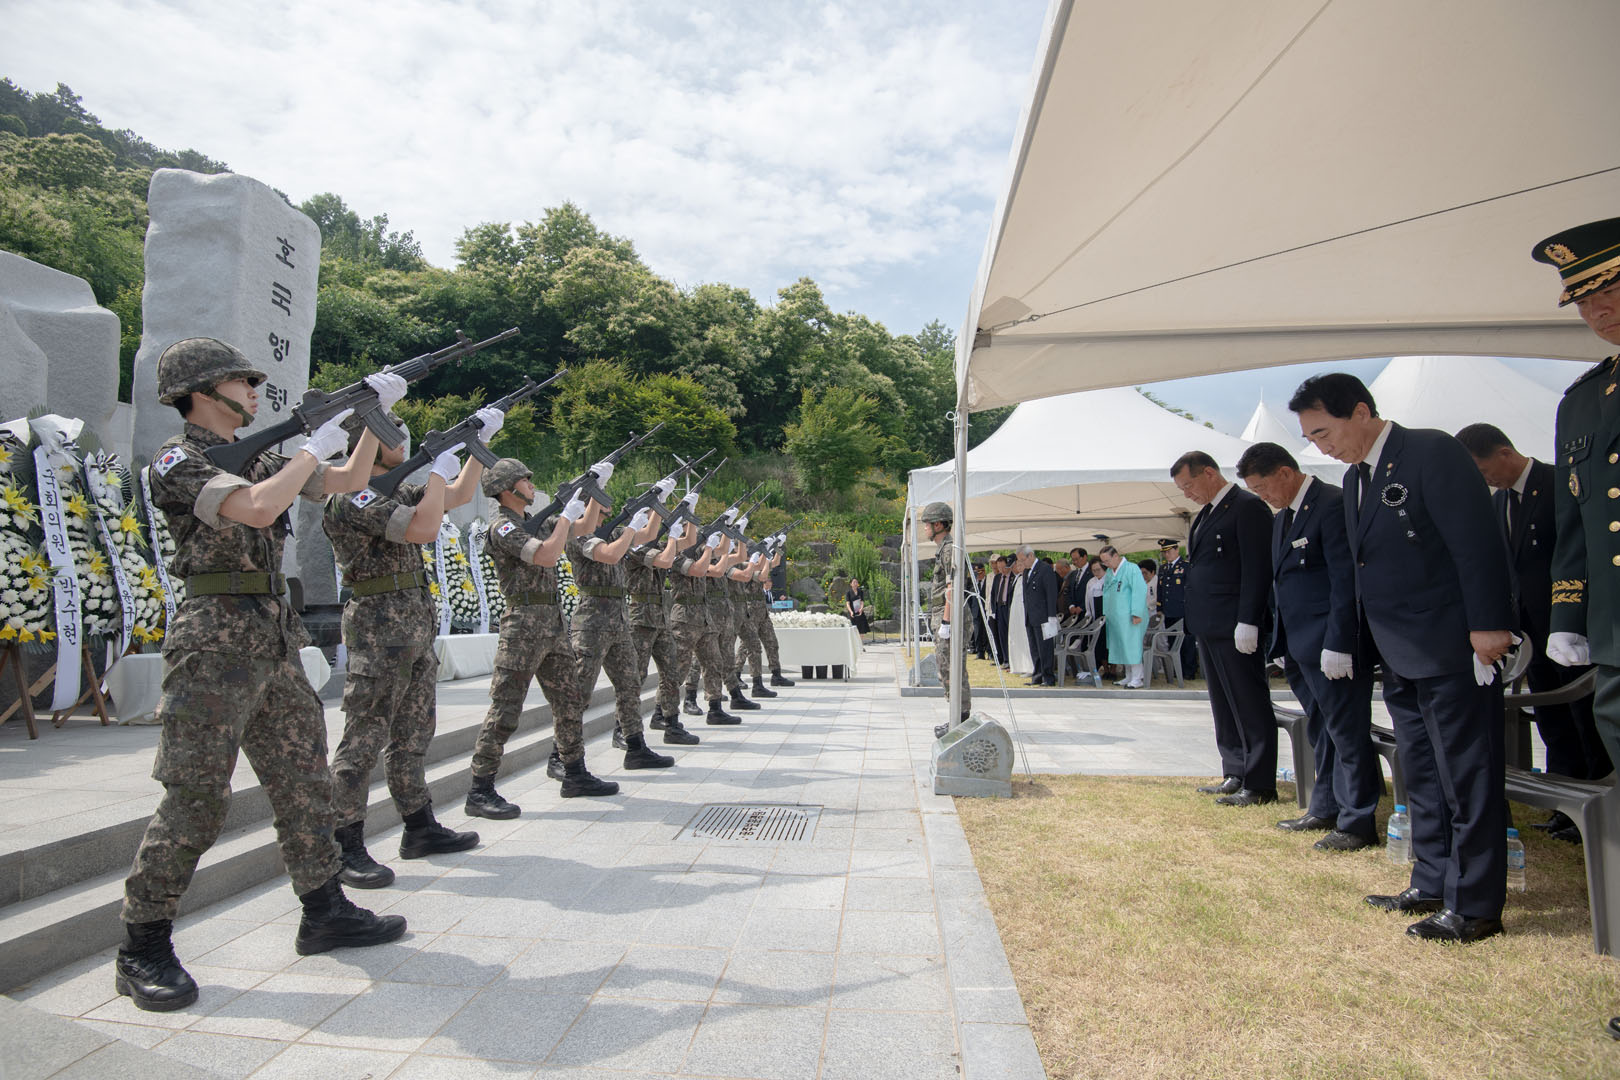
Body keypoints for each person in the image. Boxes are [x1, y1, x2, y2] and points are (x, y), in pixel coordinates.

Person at [116, 340, 409, 1013]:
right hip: (213, 643)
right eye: (242, 380)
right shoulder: (177, 460)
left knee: (306, 783)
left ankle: (324, 909)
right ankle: (142, 944)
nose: (254, 389)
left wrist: (368, 420)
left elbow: (344, 481)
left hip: (273, 635)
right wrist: (311, 448)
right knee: (196, 797)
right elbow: (253, 508)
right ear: (201, 391)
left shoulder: (260, 458)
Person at [1291, 373, 1513, 943]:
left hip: (1451, 645)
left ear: (1361, 412)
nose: (1320, 447)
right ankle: (1431, 879)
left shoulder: (1431, 452)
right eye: (1310, 438)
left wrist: (1489, 624)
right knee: (1422, 774)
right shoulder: (1355, 479)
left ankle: (1474, 903)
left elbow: (1476, 542)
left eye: (1324, 432)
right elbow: (1361, 567)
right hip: (1398, 651)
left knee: (1467, 774)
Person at [321, 405, 497, 890]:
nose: (404, 438)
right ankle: (344, 844)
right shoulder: (351, 496)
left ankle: (419, 826)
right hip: (379, 630)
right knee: (363, 740)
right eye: (393, 432)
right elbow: (423, 528)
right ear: (366, 441)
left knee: (414, 735)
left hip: (413, 627)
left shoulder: (395, 489)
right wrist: (438, 468)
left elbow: (457, 496)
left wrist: (475, 446)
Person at [1534, 214, 1620, 1040]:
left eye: (1611, 289)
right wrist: (1569, 614)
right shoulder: (1583, 399)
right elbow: (1574, 524)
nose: (1599, 310)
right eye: (1585, 300)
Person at [1457, 421, 1608, 817]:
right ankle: (1563, 807)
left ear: (1505, 453)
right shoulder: (1498, 502)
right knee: (1551, 719)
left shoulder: (1560, 484)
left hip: (1571, 628)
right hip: (1530, 633)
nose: (1485, 481)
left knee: (1585, 716)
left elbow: (1581, 555)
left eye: (1484, 470)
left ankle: (1596, 804)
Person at [1236, 442, 1380, 852]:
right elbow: (1285, 584)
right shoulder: (1285, 517)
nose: (1263, 496)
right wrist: (1280, 639)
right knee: (1322, 729)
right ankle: (1327, 806)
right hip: (1300, 645)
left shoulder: (1332, 504)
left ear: (1285, 472)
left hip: (1331, 645)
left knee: (1347, 732)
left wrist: (1340, 641)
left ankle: (1357, 821)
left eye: (1264, 487)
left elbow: (1344, 580)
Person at [465, 459, 619, 816]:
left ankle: (574, 772)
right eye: (525, 480)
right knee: (505, 709)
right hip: (522, 626)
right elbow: (547, 556)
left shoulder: (533, 520)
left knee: (570, 700)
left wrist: (593, 490)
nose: (532, 484)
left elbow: (584, 527)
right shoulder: (503, 527)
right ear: (507, 489)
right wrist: (565, 516)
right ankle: (480, 789)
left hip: (551, 622)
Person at [1172, 451, 1276, 806]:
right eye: (1182, 489)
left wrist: (1249, 619)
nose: (1187, 493)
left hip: (1235, 623)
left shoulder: (1247, 507)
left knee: (1248, 700)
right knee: (1224, 703)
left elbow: (1257, 568)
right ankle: (1235, 770)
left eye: (1189, 485)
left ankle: (1259, 782)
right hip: (1209, 622)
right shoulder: (1207, 513)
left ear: (1209, 473)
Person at [564, 495, 675, 771]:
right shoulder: (578, 535)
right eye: (601, 501)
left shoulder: (612, 532)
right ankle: (561, 755)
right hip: (592, 621)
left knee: (630, 685)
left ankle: (635, 747)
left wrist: (656, 506)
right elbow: (611, 554)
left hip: (618, 619)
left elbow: (648, 535)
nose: (608, 505)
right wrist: (630, 528)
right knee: (579, 692)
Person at [625, 512, 701, 746]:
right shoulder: (635, 547)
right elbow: (667, 560)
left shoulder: (657, 546)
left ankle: (671, 723)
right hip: (640, 618)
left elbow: (690, 542)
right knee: (636, 676)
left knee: (671, 672)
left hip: (660, 617)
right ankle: (622, 727)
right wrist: (672, 537)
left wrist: (691, 517)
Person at [922, 501, 969, 736]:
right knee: (947, 668)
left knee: (952, 669)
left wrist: (947, 622)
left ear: (938, 525)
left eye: (927, 524)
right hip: (944, 615)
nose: (925, 529)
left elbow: (952, 588)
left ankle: (960, 719)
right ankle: (956, 718)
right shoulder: (944, 549)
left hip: (950, 616)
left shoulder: (949, 549)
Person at [1099, 547, 1147, 687]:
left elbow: (1139, 590)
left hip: (1130, 616)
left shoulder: (1132, 569)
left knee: (1132, 646)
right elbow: (1106, 593)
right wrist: (1106, 612)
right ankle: (1129, 675)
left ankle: (1137, 677)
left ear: (1116, 556)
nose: (1106, 564)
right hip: (1115, 616)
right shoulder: (1109, 572)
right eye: (1103, 562)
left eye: (1107, 561)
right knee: (1122, 646)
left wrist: (1136, 613)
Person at [1017, 544, 1060, 686]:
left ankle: (1048, 677)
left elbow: (1051, 594)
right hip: (1030, 616)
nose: (1021, 563)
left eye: (1023, 560)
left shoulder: (1045, 569)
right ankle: (1037, 676)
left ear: (1031, 555)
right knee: (1034, 648)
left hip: (1043, 616)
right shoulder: (1026, 572)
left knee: (1044, 649)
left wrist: (1051, 616)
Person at [1158, 539, 1197, 678]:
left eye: (1169, 551)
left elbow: (1192, 589)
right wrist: (1159, 607)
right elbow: (1160, 590)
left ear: (1176, 550)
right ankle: (1176, 669)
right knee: (1172, 642)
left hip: (1184, 611)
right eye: (1164, 552)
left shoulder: (1186, 566)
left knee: (1187, 642)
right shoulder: (1163, 568)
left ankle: (1189, 671)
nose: (1166, 554)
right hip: (1169, 612)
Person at [990, 555, 1015, 666]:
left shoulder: (1013, 577)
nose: (1001, 570)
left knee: (1010, 634)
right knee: (1002, 634)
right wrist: (994, 610)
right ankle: (1005, 659)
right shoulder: (997, 578)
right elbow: (993, 594)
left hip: (1008, 608)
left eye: (1003, 567)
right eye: (999, 568)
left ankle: (1011, 660)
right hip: (999, 608)